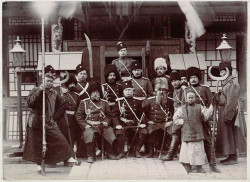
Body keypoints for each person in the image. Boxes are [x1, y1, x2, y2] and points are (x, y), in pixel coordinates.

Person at [23, 72, 75, 173]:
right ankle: (39, 165)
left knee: (60, 139)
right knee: (37, 144)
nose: (49, 83)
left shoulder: (54, 93)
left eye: (51, 81)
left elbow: (62, 105)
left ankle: (67, 157)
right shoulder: (35, 90)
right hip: (36, 121)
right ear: (43, 81)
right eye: (47, 81)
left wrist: (55, 117)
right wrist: (40, 91)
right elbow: (30, 103)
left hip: (49, 121)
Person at [182, 67, 221, 173]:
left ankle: (212, 165)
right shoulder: (185, 90)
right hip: (190, 122)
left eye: (195, 77)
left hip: (203, 120)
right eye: (191, 77)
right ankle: (191, 165)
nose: (193, 79)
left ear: (199, 78)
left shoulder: (205, 88)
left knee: (207, 142)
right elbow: (182, 106)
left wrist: (211, 117)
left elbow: (210, 104)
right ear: (188, 79)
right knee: (190, 143)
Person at [75, 82, 117, 163]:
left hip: (101, 125)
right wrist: (85, 125)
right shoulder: (84, 102)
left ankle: (109, 153)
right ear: (90, 93)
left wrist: (106, 122)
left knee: (109, 131)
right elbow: (78, 116)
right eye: (93, 92)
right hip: (90, 125)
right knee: (90, 134)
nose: (95, 94)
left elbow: (109, 115)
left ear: (100, 93)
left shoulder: (104, 102)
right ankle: (91, 155)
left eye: (97, 92)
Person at [174, 90, 213, 173]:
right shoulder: (182, 108)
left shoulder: (200, 107)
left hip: (198, 133)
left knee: (199, 151)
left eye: (192, 97)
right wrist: (183, 122)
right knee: (186, 151)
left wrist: (210, 110)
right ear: (186, 99)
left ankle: (199, 168)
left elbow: (206, 117)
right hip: (186, 132)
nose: (190, 99)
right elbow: (175, 118)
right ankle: (188, 166)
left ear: (195, 98)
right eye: (189, 98)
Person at [215, 61, 240, 165]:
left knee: (230, 134)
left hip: (229, 111)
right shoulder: (226, 82)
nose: (221, 74)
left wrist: (228, 115)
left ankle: (233, 157)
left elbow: (231, 101)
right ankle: (229, 155)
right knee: (226, 135)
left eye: (223, 71)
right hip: (224, 110)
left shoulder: (232, 83)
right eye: (220, 72)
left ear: (228, 71)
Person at [115, 81, 148, 159]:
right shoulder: (119, 101)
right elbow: (114, 115)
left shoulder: (138, 101)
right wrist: (117, 124)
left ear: (133, 91)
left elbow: (143, 114)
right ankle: (121, 152)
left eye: (130, 90)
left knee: (144, 132)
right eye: (126, 90)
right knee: (119, 133)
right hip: (123, 123)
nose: (128, 92)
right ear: (123, 92)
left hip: (134, 123)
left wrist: (142, 123)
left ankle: (136, 150)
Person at [142, 78, 174, 158]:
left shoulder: (170, 101)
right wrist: (148, 121)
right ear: (155, 92)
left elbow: (173, 113)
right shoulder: (149, 100)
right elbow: (144, 113)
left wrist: (170, 121)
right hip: (154, 122)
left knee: (172, 130)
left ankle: (169, 151)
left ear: (167, 91)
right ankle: (151, 151)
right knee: (151, 130)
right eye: (159, 90)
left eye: (164, 90)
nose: (161, 92)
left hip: (165, 122)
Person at [161, 71, 182, 161]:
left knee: (175, 133)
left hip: (183, 116)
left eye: (176, 80)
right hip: (177, 116)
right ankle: (176, 153)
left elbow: (183, 105)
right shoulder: (175, 91)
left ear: (180, 81)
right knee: (175, 133)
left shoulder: (183, 90)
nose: (174, 83)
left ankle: (170, 155)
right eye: (172, 81)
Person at [62, 73, 82, 161]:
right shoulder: (64, 95)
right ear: (67, 85)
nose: (72, 85)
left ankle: (77, 153)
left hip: (75, 118)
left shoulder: (77, 96)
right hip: (66, 118)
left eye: (74, 83)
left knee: (76, 136)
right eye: (70, 84)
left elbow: (80, 108)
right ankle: (69, 155)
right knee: (68, 137)